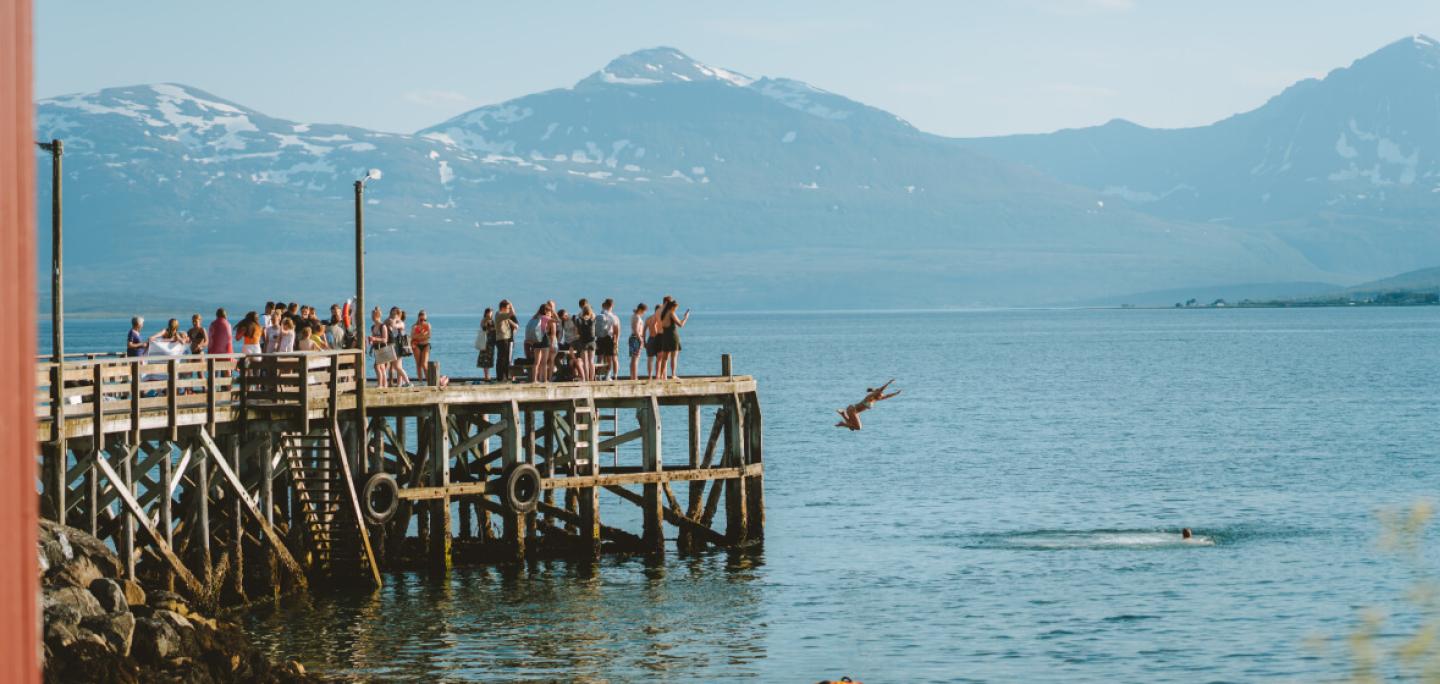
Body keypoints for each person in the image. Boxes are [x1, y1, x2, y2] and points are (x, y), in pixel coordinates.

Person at [834, 380, 902, 431]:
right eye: (881, 395)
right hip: (852, 410)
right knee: (858, 427)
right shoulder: (871, 396)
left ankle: (843, 414)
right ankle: (842, 423)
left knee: (852, 427)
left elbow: (887, 396)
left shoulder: (875, 399)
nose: (882, 397)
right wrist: (889, 383)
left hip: (853, 411)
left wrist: (896, 393)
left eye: (882, 396)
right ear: (877, 394)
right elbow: (882, 389)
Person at [655, 300, 690, 380]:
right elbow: (680, 324)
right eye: (676, 308)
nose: (676, 309)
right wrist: (686, 317)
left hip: (665, 337)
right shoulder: (671, 313)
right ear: (673, 307)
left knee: (665, 357)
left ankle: (660, 376)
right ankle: (673, 375)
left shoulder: (663, 314)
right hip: (672, 336)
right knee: (674, 356)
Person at [526, 303, 551, 383]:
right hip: (544, 340)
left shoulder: (534, 318)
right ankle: (545, 380)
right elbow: (557, 321)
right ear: (546, 311)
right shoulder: (546, 318)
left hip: (536, 340)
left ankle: (534, 380)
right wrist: (553, 313)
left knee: (536, 362)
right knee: (544, 362)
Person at [493, 300, 518, 382]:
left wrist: (515, 325)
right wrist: (511, 304)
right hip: (502, 339)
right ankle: (501, 377)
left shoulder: (503, 316)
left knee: (505, 359)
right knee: (502, 359)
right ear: (503, 308)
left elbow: (513, 321)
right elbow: (512, 313)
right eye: (508, 308)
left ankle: (505, 376)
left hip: (505, 338)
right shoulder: (499, 314)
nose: (509, 309)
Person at [368, 307, 393, 388]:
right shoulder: (372, 327)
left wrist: (375, 338)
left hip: (383, 348)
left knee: (376, 366)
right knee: (382, 368)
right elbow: (373, 338)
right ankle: (384, 384)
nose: (372, 317)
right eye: (372, 315)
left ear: (377, 315)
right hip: (376, 348)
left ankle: (380, 384)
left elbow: (385, 339)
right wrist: (371, 344)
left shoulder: (383, 326)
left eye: (373, 315)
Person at [597, 298, 621, 380]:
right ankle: (610, 375)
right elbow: (616, 330)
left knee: (599, 357)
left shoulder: (600, 314)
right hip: (609, 338)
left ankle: (598, 375)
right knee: (610, 358)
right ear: (612, 305)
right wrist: (616, 341)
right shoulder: (613, 316)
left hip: (600, 338)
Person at [576, 300, 597, 382]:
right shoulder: (593, 319)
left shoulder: (579, 320)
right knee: (591, 362)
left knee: (585, 362)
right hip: (592, 342)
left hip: (583, 342)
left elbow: (577, 329)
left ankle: (586, 379)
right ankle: (592, 379)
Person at [475, 308, 495, 381]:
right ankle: (486, 376)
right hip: (485, 342)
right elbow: (483, 328)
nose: (491, 314)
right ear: (486, 313)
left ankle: (487, 376)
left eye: (491, 313)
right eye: (490, 313)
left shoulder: (492, 321)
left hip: (491, 343)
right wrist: (486, 320)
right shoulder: (484, 320)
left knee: (489, 359)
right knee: (485, 360)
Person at [412, 310, 432, 384]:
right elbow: (412, 336)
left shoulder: (428, 325)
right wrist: (422, 336)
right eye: (421, 319)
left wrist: (418, 337)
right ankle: (420, 382)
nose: (423, 321)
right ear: (418, 318)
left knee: (424, 364)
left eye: (424, 320)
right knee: (418, 364)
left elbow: (429, 336)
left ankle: (429, 381)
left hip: (426, 345)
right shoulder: (415, 326)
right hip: (416, 345)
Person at [628, 303, 648, 380]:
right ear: (641, 309)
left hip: (634, 337)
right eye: (644, 311)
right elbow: (636, 329)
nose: (644, 313)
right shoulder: (637, 317)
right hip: (636, 338)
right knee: (635, 358)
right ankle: (634, 377)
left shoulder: (634, 316)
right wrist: (640, 339)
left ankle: (632, 376)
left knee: (634, 358)